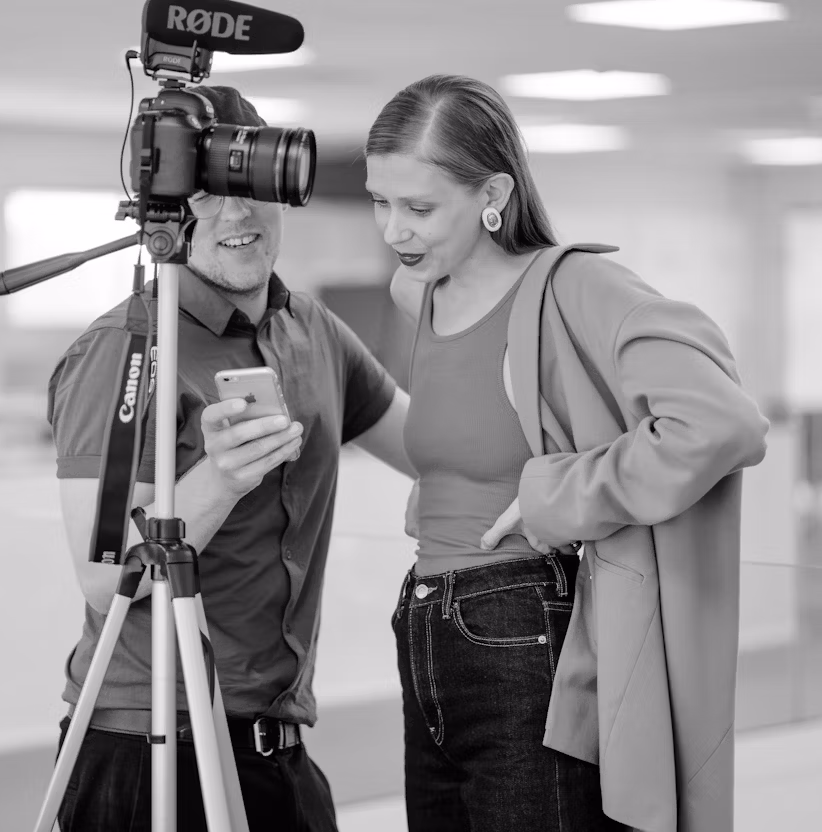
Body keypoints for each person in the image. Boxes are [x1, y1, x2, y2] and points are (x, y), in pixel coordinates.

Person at [365, 74, 768, 831]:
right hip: (424, 627)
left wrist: (562, 493)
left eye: (419, 208)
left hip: (520, 627)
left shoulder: (576, 287)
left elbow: (721, 423)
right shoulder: (417, 294)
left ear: (495, 193)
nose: (394, 231)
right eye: (380, 202)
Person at [47, 85, 414, 832]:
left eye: (250, 189)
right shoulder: (123, 351)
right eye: (208, 195)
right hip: (147, 741)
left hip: (276, 746)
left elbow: (429, 447)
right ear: (168, 211)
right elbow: (101, 575)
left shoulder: (311, 328)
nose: (238, 216)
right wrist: (219, 476)